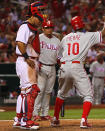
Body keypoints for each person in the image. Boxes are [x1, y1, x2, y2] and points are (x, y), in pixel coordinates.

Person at [50, 15, 105, 128]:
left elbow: (58, 57)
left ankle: (55, 119)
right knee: (88, 95)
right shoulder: (87, 36)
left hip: (64, 66)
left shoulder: (66, 38)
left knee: (61, 94)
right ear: (82, 24)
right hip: (76, 66)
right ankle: (83, 120)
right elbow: (104, 33)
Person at [13, 1, 47, 130]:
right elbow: (20, 43)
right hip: (25, 61)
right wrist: (27, 58)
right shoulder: (25, 27)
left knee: (24, 92)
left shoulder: (30, 27)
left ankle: (18, 119)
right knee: (31, 90)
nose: (41, 20)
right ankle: (26, 121)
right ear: (34, 15)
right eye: (40, 17)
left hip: (28, 60)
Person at [33, 20, 60, 121]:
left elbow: (59, 56)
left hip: (52, 67)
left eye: (50, 27)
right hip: (42, 66)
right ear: (43, 29)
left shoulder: (57, 41)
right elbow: (33, 50)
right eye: (47, 27)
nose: (49, 29)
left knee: (48, 91)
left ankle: (45, 113)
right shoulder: (39, 38)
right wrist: (36, 62)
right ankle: (35, 113)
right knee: (40, 90)